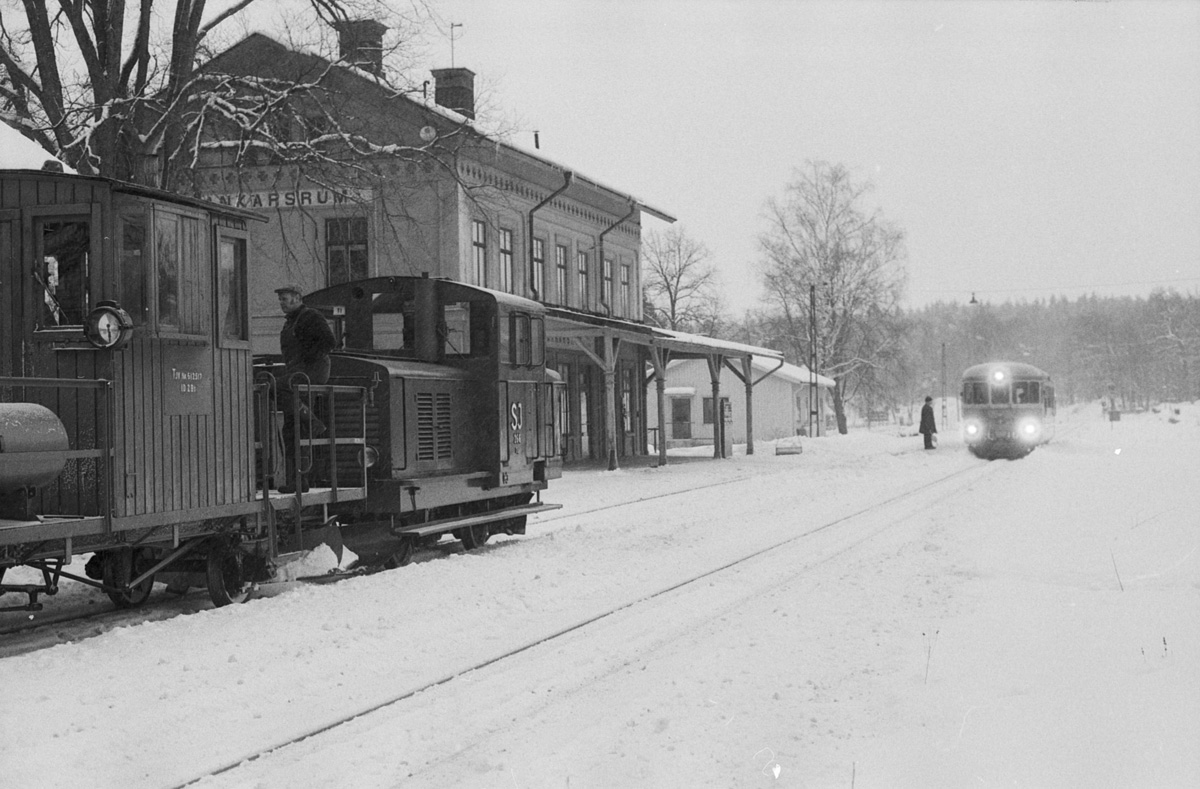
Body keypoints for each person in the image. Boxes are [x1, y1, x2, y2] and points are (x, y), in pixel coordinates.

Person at [274, 284, 336, 492]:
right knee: (291, 429)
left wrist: (308, 359)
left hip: (312, 372)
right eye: (280, 299)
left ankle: (312, 421)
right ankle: (298, 481)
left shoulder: (310, 317)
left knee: (276, 387)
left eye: (284, 299)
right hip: (298, 373)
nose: (281, 303)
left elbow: (329, 342)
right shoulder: (291, 321)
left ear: (297, 298)